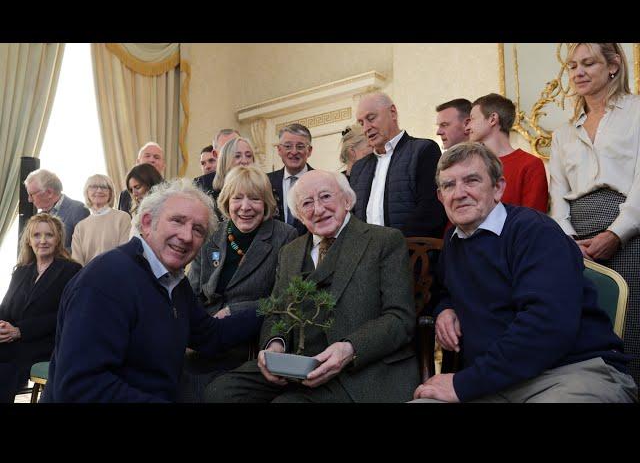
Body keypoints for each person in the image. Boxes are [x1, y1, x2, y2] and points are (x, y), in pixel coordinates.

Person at [411, 143, 637, 403]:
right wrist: (445, 309)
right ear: (440, 197)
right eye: (449, 185)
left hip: (568, 372)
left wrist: (465, 383)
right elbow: (447, 290)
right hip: (494, 380)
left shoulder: (535, 231)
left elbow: (547, 324)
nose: (459, 193)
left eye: (471, 181)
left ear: (498, 188)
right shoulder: (453, 241)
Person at [205, 170, 419, 403]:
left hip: (361, 369)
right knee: (221, 391)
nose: (318, 209)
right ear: (298, 214)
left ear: (347, 200)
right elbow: (275, 310)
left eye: (326, 197)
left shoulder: (384, 241)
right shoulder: (290, 252)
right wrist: (275, 344)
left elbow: (400, 318)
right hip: (295, 368)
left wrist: (349, 349)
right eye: (307, 203)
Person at [40, 179, 262, 403]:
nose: (186, 236)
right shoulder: (105, 279)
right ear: (147, 222)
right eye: (177, 221)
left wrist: (270, 310)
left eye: (198, 230)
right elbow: (81, 387)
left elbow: (210, 335)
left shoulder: (173, 282)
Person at [549, 43, 640, 385]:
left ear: (614, 65)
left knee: (633, 327)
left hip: (631, 231)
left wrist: (617, 233)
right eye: (572, 66)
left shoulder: (637, 111)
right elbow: (557, 196)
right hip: (576, 243)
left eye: (588, 63)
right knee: (587, 329)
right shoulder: (562, 133)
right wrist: (569, 241)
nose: (578, 72)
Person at [182, 166, 298, 402]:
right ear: (226, 201)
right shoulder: (212, 233)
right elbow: (191, 291)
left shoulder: (285, 236)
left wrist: (235, 310)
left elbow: (285, 299)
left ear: (265, 203)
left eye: (254, 199)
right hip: (204, 333)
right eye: (237, 198)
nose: (245, 207)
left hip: (247, 340)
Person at [0, 214, 81, 402]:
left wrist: (20, 331)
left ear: (58, 238)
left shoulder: (71, 271)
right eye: (37, 235)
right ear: (29, 239)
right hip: (13, 340)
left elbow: (66, 315)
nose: (42, 241)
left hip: (46, 343)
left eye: (49, 235)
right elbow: (5, 306)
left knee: (5, 366)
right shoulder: (21, 271)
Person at [350, 92, 446, 237]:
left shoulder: (424, 150)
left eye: (371, 118)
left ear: (393, 113)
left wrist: (391, 247)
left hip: (411, 253)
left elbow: (430, 210)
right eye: (361, 123)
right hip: (367, 257)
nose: (366, 128)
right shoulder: (359, 168)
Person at [467, 93, 548, 213]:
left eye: (472, 119)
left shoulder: (530, 165)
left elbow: (533, 219)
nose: (467, 127)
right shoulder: (470, 165)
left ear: (492, 119)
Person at [71, 174, 131, 266]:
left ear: (110, 192)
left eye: (104, 187)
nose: (99, 190)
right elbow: (77, 263)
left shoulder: (122, 217)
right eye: (94, 187)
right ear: (87, 192)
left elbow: (125, 253)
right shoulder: (80, 227)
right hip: (89, 278)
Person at [24, 169, 89, 251]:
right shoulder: (38, 217)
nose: (29, 199)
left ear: (49, 193)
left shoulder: (78, 210)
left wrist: (49, 254)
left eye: (32, 194)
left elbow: (83, 249)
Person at [267, 123, 314, 236]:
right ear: (279, 150)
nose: (294, 152)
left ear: (309, 150)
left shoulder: (321, 181)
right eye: (288, 146)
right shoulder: (266, 181)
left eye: (300, 146)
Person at [209, 136, 256, 220]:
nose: (244, 161)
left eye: (248, 156)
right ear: (225, 160)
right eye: (237, 156)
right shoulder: (210, 199)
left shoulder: (263, 191)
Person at [118, 141, 165, 214]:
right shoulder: (125, 195)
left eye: (156, 157)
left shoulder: (172, 190)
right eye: (147, 156)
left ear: (163, 165)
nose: (152, 160)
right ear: (138, 162)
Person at [193, 129, 240, 193]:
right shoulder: (200, 187)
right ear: (216, 154)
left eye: (237, 147)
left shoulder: (256, 180)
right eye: (226, 150)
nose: (235, 153)